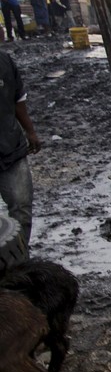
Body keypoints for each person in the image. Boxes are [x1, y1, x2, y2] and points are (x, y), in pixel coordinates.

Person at [0, 48, 42, 247]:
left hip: (9, 146)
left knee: (22, 208)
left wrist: (30, 131)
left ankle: (20, 261)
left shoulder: (4, 61)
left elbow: (18, 99)